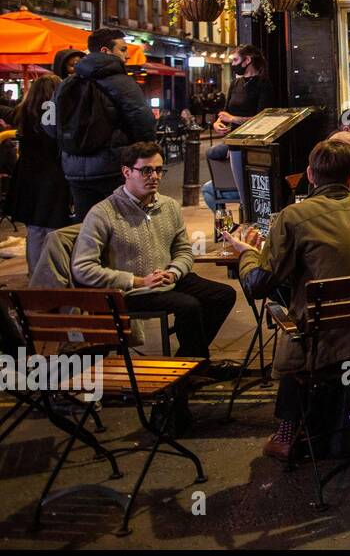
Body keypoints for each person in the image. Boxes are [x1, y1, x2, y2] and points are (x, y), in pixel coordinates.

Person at [227, 138, 350, 460]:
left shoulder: (294, 218)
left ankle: (287, 435)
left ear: (311, 176)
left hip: (324, 347)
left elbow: (259, 284)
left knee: (292, 325)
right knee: (345, 321)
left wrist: (246, 255)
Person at [72, 141, 236, 365]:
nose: (155, 176)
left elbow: (183, 249)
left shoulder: (168, 206)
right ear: (127, 172)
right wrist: (136, 281)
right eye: (146, 170)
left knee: (223, 295)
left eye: (159, 170)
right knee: (189, 306)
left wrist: (175, 271)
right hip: (129, 291)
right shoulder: (103, 213)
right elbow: (83, 268)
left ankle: (187, 361)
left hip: (165, 279)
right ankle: (194, 365)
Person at [46, 27, 157, 220]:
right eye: (122, 49)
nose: (127, 55)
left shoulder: (67, 83)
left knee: (88, 229)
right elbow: (144, 122)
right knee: (121, 228)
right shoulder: (121, 82)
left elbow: (50, 125)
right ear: (106, 51)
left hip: (74, 171)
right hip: (112, 169)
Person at [4, 73, 73, 274]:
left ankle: (35, 277)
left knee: (34, 230)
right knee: (56, 231)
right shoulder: (59, 115)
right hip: (55, 178)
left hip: (26, 179)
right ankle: (53, 279)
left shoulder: (23, 113)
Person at [205, 46, 271, 214]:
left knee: (252, 193)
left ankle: (250, 223)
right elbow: (225, 111)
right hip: (234, 143)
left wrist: (233, 119)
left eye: (235, 60)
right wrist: (218, 123)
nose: (232, 64)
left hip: (254, 145)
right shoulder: (235, 83)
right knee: (243, 193)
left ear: (247, 60)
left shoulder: (263, 84)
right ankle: (238, 222)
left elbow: (263, 119)